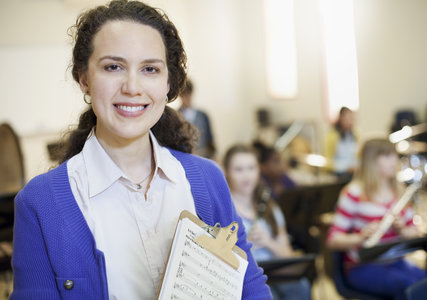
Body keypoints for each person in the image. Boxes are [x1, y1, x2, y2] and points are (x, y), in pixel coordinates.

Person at [11, 1, 271, 299]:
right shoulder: (40, 203)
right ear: (84, 78)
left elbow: (248, 287)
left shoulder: (208, 179)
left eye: (150, 69)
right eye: (113, 67)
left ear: (168, 81)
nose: (133, 87)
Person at [326, 138, 426, 300]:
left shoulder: (399, 191)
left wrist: (401, 230)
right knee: (409, 287)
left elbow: (415, 234)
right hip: (362, 266)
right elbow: (333, 240)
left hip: (395, 262)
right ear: (371, 161)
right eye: (387, 156)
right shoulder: (353, 194)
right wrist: (360, 237)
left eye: (394, 155)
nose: (394, 161)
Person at [224, 144, 311, 300]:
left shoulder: (269, 206)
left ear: (259, 170)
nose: (246, 176)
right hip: (245, 280)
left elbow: (287, 254)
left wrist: (268, 242)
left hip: (275, 273)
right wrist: (243, 245)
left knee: (302, 287)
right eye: (239, 169)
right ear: (227, 173)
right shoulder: (224, 210)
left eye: (251, 168)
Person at [178, 79, 216, 159]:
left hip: (203, 156)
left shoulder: (203, 115)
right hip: (184, 156)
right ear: (180, 95)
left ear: (192, 93)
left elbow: (210, 139)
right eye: (183, 94)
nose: (186, 97)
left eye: (188, 94)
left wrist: (213, 155)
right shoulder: (176, 116)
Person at [324, 107, 358, 181]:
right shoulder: (332, 136)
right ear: (341, 119)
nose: (351, 121)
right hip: (339, 171)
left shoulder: (354, 135)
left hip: (353, 169)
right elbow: (328, 161)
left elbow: (356, 156)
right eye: (349, 118)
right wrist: (346, 167)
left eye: (352, 118)